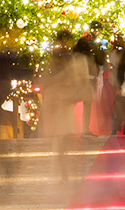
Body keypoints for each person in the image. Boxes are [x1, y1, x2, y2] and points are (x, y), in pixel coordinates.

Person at [45, 30, 90, 181]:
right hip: (59, 100)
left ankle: (63, 170)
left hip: (63, 101)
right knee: (61, 138)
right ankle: (62, 170)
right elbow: (51, 78)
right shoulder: (58, 59)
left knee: (63, 138)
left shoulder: (67, 58)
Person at [72, 22, 107, 136]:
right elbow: (101, 60)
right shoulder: (91, 44)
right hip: (86, 77)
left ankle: (81, 130)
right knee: (84, 103)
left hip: (85, 77)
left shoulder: (87, 45)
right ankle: (82, 130)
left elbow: (100, 60)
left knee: (83, 103)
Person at [110, 34, 125, 136]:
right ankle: (124, 129)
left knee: (118, 107)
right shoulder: (124, 58)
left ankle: (115, 129)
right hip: (124, 83)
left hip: (119, 83)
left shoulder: (114, 54)